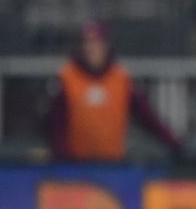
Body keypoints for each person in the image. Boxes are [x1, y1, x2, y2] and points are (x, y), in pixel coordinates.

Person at [47, 21, 182, 161]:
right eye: (87, 44)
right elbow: (56, 124)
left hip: (112, 165)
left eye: (97, 44)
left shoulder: (120, 78)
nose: (92, 49)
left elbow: (146, 117)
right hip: (76, 165)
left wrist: (174, 143)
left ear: (106, 46)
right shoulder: (67, 77)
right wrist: (62, 156)